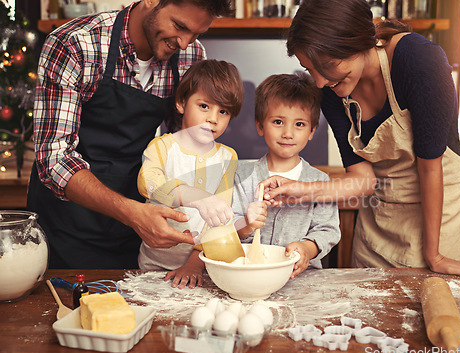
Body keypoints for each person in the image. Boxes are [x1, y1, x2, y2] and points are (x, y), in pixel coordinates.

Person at [259, 0, 460, 277]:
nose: (320, 82)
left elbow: (430, 165)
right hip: (380, 211)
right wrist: (299, 189)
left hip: (438, 208)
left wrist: (435, 255)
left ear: (358, 42)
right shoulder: (331, 91)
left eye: (328, 66)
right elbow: (363, 180)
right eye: (310, 69)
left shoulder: (418, 58)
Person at [27, 0, 233, 269]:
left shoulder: (191, 56)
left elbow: (182, 149)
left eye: (195, 34)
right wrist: (131, 213)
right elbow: (54, 159)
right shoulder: (76, 44)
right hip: (68, 227)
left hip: (141, 229)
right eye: (179, 26)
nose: (184, 43)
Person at [137, 59, 244, 289]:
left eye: (223, 111)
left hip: (200, 269)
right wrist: (194, 195)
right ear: (181, 103)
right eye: (204, 106)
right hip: (152, 268)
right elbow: (149, 183)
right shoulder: (162, 147)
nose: (213, 118)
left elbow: (220, 219)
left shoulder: (228, 158)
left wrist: (195, 264)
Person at [232, 73, 340, 279]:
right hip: (249, 276)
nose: (288, 133)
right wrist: (246, 222)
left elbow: (327, 230)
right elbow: (225, 227)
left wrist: (306, 250)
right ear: (260, 125)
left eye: (299, 124)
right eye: (278, 121)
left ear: (312, 131)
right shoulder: (241, 176)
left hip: (302, 279)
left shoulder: (320, 182)